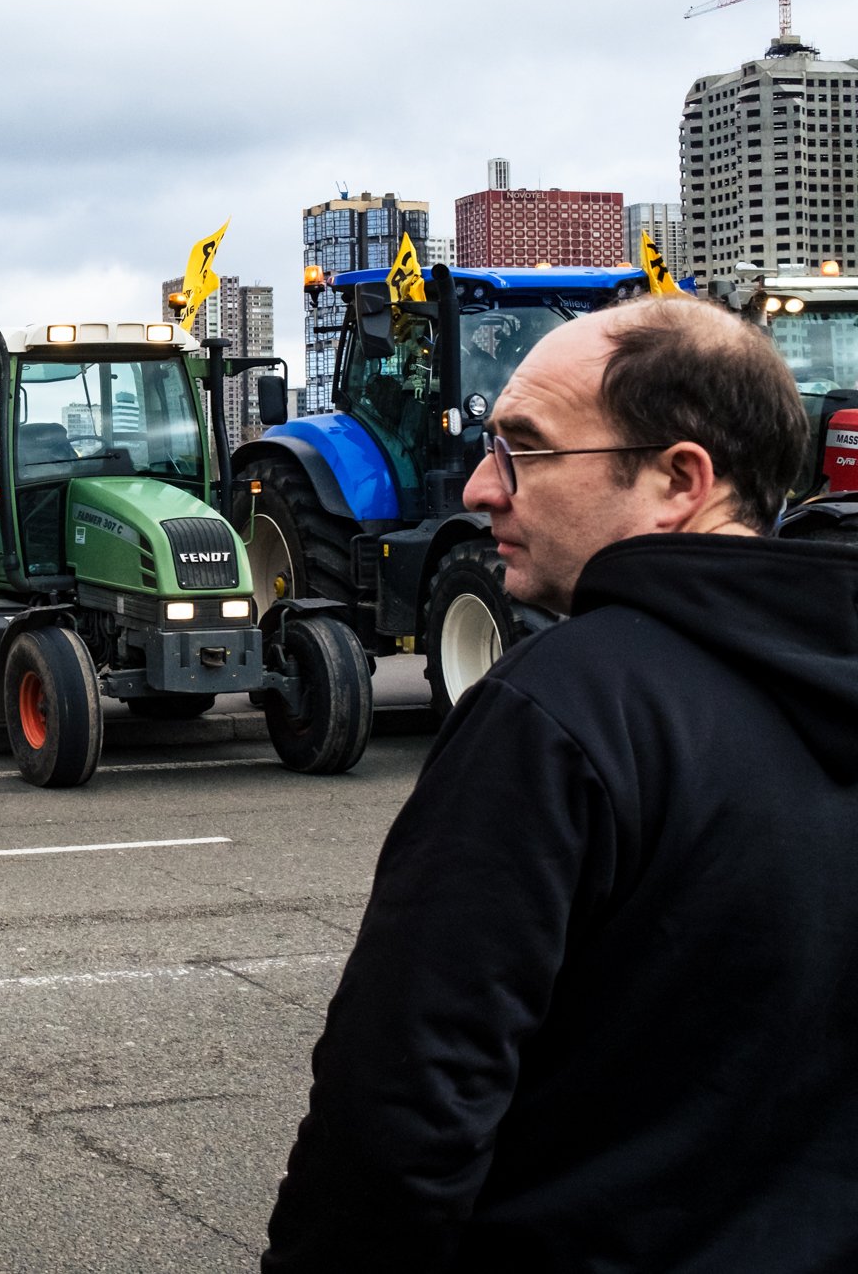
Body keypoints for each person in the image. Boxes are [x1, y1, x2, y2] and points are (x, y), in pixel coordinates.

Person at [265, 295, 858, 1272]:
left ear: (677, 479)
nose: (482, 490)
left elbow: (400, 1112)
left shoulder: (563, 711)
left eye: (523, 450)